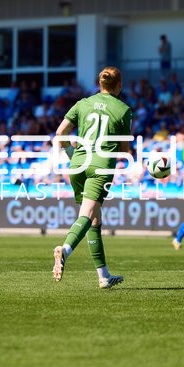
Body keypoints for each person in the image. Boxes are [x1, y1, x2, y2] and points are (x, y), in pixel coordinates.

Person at [52, 66, 132, 289]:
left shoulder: (82, 104)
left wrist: (71, 155)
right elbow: (124, 150)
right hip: (100, 165)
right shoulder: (124, 110)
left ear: (100, 83)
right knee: (87, 215)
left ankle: (104, 276)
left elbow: (60, 134)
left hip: (77, 164)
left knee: (94, 219)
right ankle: (64, 250)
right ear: (119, 85)